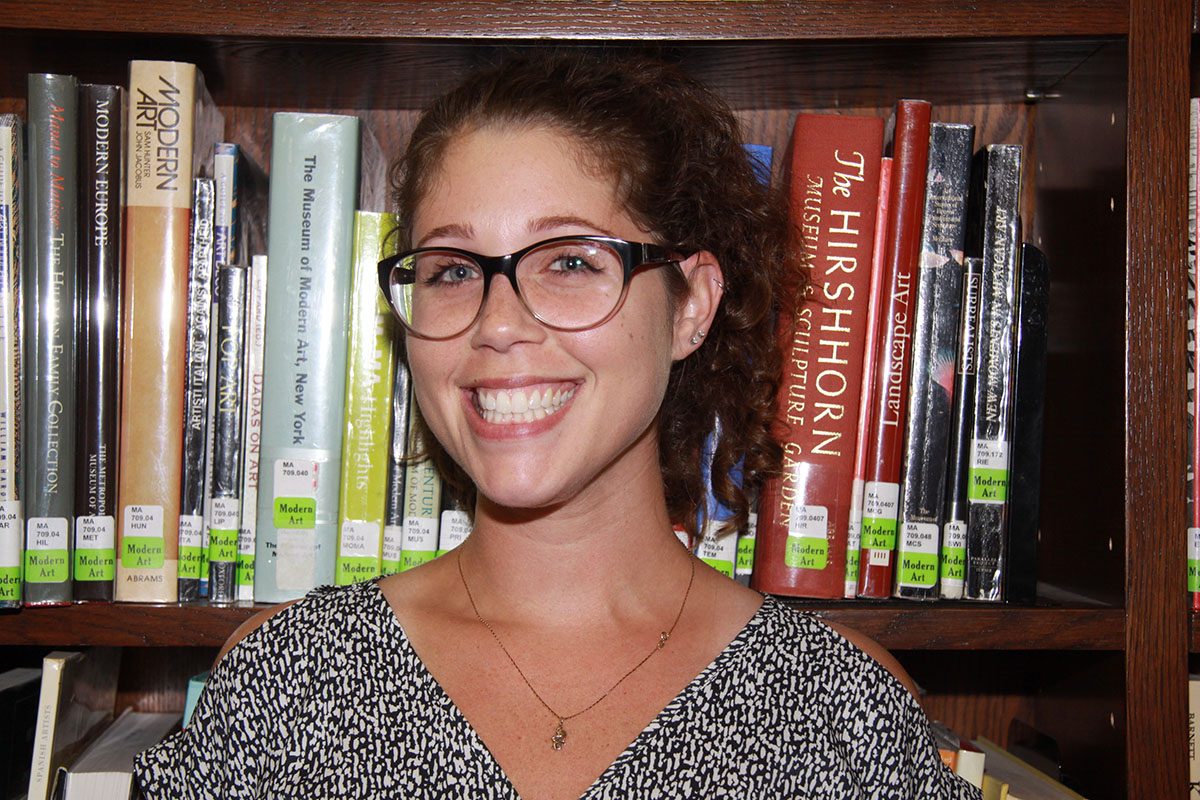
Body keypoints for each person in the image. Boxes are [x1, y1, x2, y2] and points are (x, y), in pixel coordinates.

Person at [135, 51, 980, 799]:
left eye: (571, 261)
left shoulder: (842, 720)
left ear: (691, 305)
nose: (497, 322)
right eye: (454, 269)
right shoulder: (284, 686)